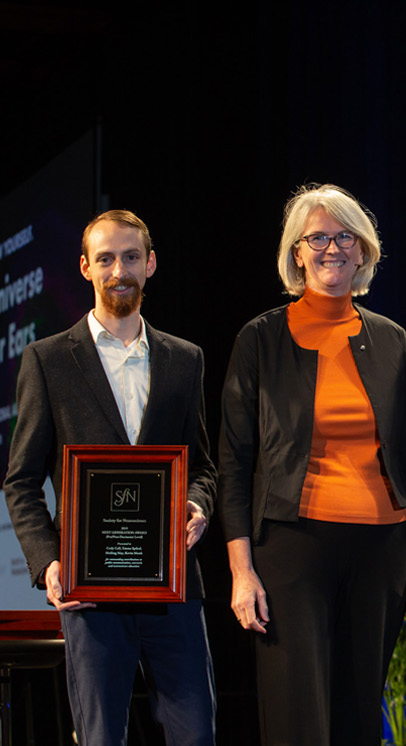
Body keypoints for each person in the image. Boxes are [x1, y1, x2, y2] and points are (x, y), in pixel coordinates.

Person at [218, 184, 406, 744]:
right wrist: (242, 571)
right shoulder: (260, 338)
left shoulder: (390, 339)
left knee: (359, 716)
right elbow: (234, 461)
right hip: (291, 547)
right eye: (317, 237)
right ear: (297, 251)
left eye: (345, 237)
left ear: (363, 251)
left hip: (380, 548)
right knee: (298, 719)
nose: (331, 248)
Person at [3, 210, 216, 743]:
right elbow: (21, 479)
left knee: (196, 735)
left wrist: (198, 505)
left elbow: (203, 465)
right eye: (105, 258)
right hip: (90, 592)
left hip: (174, 587)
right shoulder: (47, 359)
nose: (118, 269)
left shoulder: (185, 360)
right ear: (84, 267)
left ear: (150, 265)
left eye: (130, 257)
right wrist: (48, 562)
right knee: (100, 738)